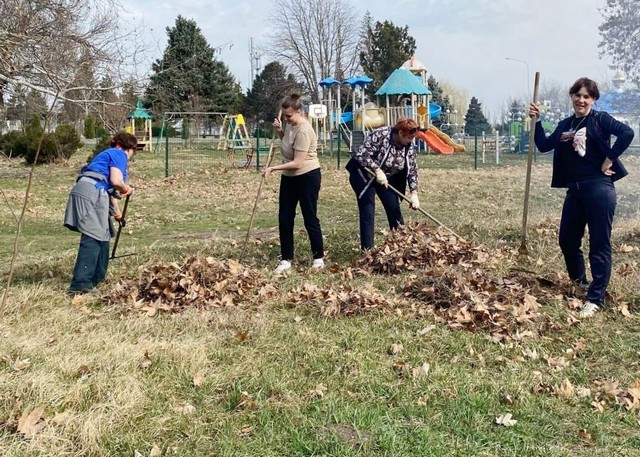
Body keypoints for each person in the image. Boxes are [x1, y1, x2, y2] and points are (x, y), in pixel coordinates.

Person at [528, 77, 634, 318]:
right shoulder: (566, 125)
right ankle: (580, 284)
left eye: (587, 96)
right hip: (574, 191)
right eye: (578, 95)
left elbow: (627, 133)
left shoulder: (600, 120)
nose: (582, 100)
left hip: (599, 188)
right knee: (567, 240)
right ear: (572, 97)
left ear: (593, 99)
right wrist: (538, 121)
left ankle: (595, 299)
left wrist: (610, 158)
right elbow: (544, 145)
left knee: (599, 243)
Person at [64, 132, 136, 295]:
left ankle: (97, 277)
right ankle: (80, 285)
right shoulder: (119, 154)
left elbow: (109, 192)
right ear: (130, 148)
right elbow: (116, 182)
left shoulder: (106, 154)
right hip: (92, 193)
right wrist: (127, 189)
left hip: (93, 191)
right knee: (92, 236)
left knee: (104, 233)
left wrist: (118, 215)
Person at [264, 93, 325, 273]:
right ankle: (286, 259)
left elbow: (298, 162)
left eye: (289, 116)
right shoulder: (290, 125)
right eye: (284, 116)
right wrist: (280, 130)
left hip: (307, 176)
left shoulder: (305, 130)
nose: (286, 119)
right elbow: (288, 145)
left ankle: (318, 258)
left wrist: (272, 168)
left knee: (309, 217)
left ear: (299, 112)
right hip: (289, 177)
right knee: (284, 218)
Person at [346, 117, 421, 250]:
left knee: (394, 208)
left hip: (386, 177)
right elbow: (361, 154)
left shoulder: (408, 146)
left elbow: (412, 169)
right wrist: (376, 169)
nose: (411, 140)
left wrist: (414, 193)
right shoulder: (380, 135)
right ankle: (367, 251)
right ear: (400, 134)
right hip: (363, 173)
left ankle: (402, 247)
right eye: (409, 138)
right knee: (368, 210)